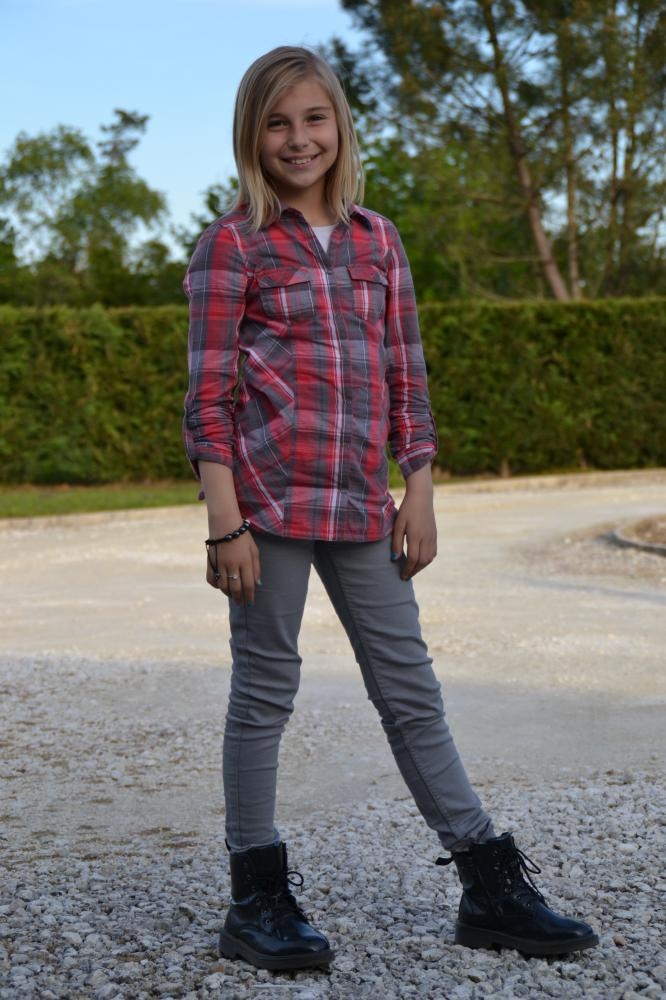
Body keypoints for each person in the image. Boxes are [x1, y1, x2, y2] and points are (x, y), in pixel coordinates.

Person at [183, 45, 598, 972]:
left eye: (314, 119)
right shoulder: (234, 245)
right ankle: (256, 899)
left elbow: (406, 374)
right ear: (253, 135)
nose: (299, 139)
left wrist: (420, 489)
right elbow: (208, 398)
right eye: (278, 123)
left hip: (363, 506)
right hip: (268, 508)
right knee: (265, 693)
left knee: (411, 691)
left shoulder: (379, 241)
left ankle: (489, 886)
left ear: (339, 126)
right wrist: (225, 523)